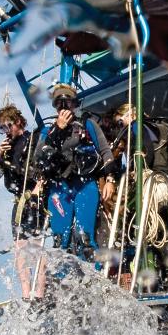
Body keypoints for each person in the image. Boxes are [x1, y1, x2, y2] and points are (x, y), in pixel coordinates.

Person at [35, 83, 113, 257]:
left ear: (75, 104)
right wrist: (58, 129)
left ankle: (93, 277)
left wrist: (109, 180)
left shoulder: (87, 124)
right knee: (59, 240)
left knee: (85, 237)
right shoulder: (48, 131)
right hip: (59, 188)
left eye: (68, 102)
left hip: (85, 184)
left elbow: (106, 151)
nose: (64, 107)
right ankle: (62, 281)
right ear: (55, 107)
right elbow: (39, 158)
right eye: (59, 103)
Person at [0, 103, 47, 300]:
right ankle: (26, 292)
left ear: (18, 123)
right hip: (18, 202)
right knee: (19, 247)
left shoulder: (32, 140)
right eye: (0, 129)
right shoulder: (6, 149)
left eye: (6, 127)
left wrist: (39, 188)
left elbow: (44, 165)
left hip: (33, 198)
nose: (4, 132)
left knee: (35, 245)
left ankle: (39, 292)